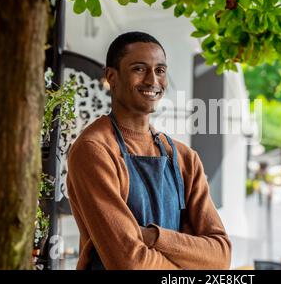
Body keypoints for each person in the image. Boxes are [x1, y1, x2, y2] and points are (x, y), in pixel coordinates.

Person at [66, 32, 231, 270]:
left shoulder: (185, 159)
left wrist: (153, 237)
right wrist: (189, 255)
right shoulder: (94, 150)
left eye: (160, 70)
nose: (152, 80)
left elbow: (221, 256)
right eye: (139, 69)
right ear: (112, 76)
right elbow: (129, 262)